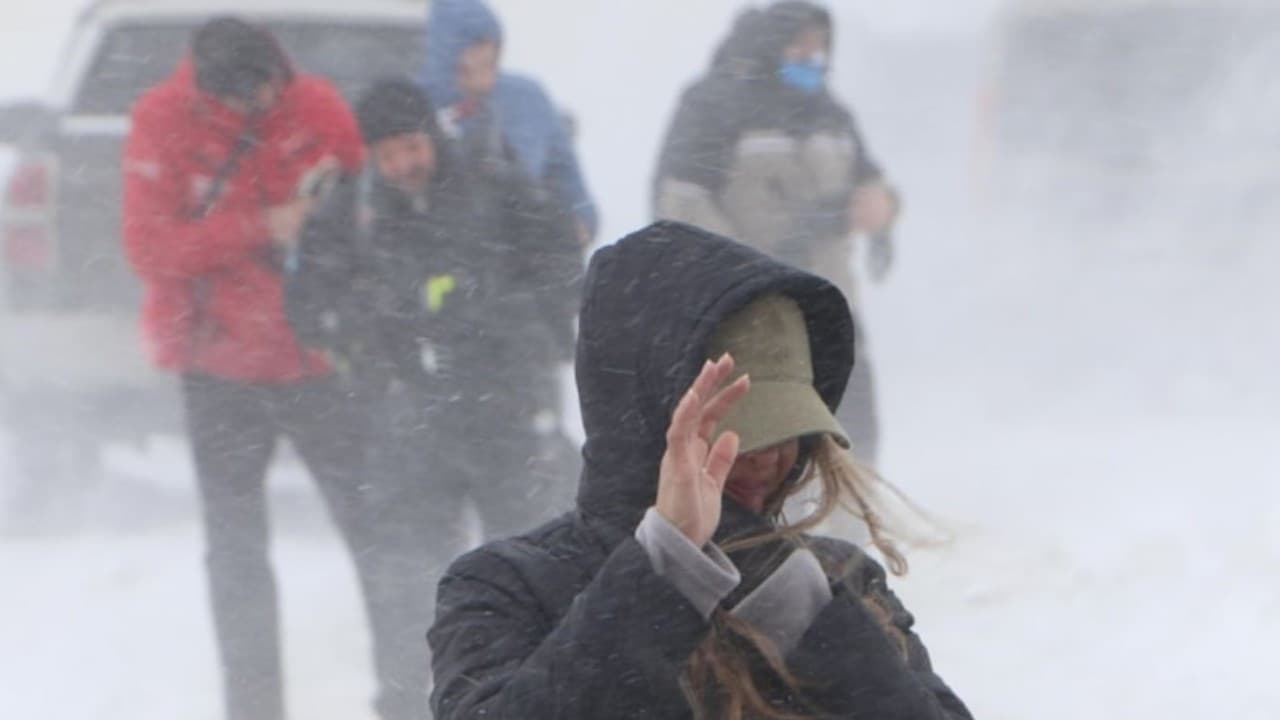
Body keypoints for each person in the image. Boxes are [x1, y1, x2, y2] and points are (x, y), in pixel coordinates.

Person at [428, 221, 970, 719]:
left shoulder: (835, 583)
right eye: (732, 430)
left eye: (786, 428)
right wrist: (663, 571)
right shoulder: (509, 586)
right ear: (645, 428)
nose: (765, 456)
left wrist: (808, 621)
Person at [120, 18, 383, 720]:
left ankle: (411, 688)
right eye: (247, 100)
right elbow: (149, 249)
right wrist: (261, 227)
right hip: (218, 369)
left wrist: (326, 233)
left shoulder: (319, 106)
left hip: (318, 363)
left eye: (271, 91)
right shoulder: (161, 122)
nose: (263, 106)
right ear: (213, 94)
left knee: (377, 532)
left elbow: (372, 214)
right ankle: (254, 708)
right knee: (236, 554)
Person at [291, 78, 583, 551]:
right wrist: (368, 324)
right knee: (420, 576)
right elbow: (308, 303)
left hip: (507, 406)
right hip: (407, 421)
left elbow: (563, 267)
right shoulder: (350, 214)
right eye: (387, 156)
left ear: (433, 135)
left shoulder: (495, 185)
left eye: (411, 147)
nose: (404, 165)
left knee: (530, 559)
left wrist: (507, 317)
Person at [653, 2, 899, 466]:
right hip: (749, 314)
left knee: (851, 439)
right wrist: (751, 271)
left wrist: (883, 206)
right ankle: (753, 537)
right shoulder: (716, 106)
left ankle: (846, 534)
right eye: (800, 43)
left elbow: (869, 179)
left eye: (820, 45)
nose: (812, 55)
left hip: (830, 306)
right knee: (755, 449)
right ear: (771, 41)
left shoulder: (830, 114)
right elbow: (681, 205)